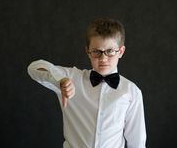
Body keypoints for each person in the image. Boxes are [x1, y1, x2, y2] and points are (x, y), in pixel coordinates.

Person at [27, 17, 147, 148]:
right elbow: (33, 68)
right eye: (96, 51)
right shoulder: (72, 78)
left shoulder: (131, 91)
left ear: (121, 51)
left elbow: (137, 142)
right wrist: (60, 81)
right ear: (88, 52)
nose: (103, 58)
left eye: (110, 51)